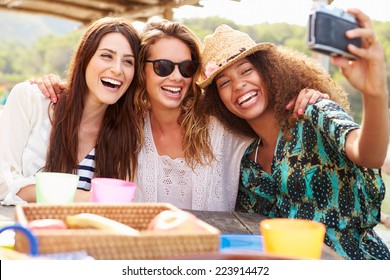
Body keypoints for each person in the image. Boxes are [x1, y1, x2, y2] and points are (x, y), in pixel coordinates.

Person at [31, 20, 327, 211]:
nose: (176, 77)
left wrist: (307, 93)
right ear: (140, 70)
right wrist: (58, 87)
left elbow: (261, 108)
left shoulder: (220, 125)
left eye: (186, 68)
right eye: (162, 67)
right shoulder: (125, 126)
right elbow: (92, 95)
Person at [199, 9, 390, 259]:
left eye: (246, 71)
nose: (238, 85)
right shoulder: (246, 159)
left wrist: (375, 94)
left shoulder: (314, 111)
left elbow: (368, 155)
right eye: (224, 82)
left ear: (269, 71)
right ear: (218, 100)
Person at [0, 17, 141, 205]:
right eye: (107, 56)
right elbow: (3, 183)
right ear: (85, 58)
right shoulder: (31, 100)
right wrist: (82, 197)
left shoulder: (127, 133)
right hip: (22, 232)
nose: (117, 69)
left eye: (128, 62)